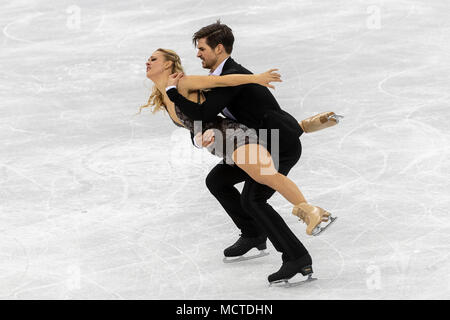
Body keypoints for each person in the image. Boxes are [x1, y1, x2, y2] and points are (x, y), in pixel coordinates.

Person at [162, 21, 339, 285]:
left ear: (219, 49)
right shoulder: (221, 78)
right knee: (217, 181)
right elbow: (201, 120)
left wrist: (173, 93)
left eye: (202, 49)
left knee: (253, 200)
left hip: (279, 144)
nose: (198, 54)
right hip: (262, 141)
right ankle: (253, 234)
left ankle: (297, 259)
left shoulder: (231, 77)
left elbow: (203, 113)